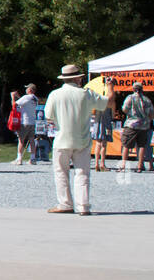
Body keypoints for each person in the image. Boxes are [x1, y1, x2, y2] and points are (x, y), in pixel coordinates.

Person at [44, 64, 114, 215]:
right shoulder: (86, 94)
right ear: (76, 78)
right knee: (82, 173)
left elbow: (49, 116)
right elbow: (109, 102)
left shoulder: (54, 95)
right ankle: (83, 206)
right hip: (82, 140)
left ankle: (65, 203)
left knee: (61, 172)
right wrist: (110, 86)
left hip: (62, 139)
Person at [119, 82, 154, 172]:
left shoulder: (130, 98)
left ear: (133, 89)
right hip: (144, 125)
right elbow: (152, 113)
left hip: (131, 124)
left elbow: (124, 109)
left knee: (126, 145)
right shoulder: (146, 99)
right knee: (141, 145)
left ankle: (123, 165)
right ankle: (140, 165)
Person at [11, 84, 39, 165]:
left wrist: (13, 96)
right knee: (31, 140)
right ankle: (33, 158)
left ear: (30, 89)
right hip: (32, 122)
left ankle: (19, 159)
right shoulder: (35, 98)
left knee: (21, 140)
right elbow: (24, 103)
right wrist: (19, 96)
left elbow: (14, 105)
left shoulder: (26, 97)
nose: (26, 89)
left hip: (24, 122)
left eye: (27, 88)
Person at [92, 97, 113, 171]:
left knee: (98, 143)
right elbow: (112, 114)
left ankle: (96, 164)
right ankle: (102, 164)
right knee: (104, 144)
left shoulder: (96, 103)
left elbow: (93, 112)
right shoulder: (110, 102)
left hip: (97, 123)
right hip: (106, 123)